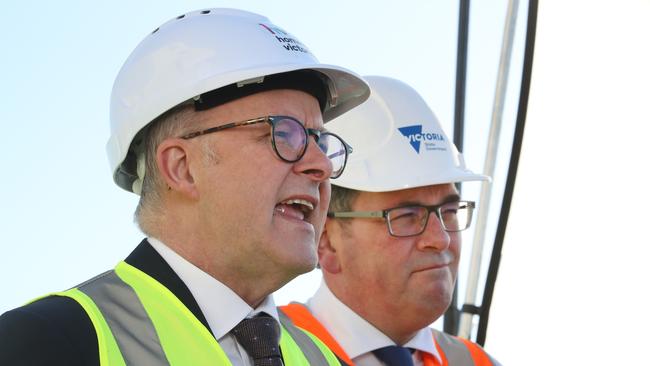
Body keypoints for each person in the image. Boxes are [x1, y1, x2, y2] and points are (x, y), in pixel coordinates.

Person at [0, 8, 370, 365]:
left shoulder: (323, 359)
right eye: (283, 133)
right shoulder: (48, 342)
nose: (321, 165)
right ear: (182, 168)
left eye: (319, 140)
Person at [280, 76, 501, 366]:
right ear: (326, 241)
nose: (440, 238)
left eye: (449, 211)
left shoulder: (475, 362)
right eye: (407, 217)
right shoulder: (264, 351)